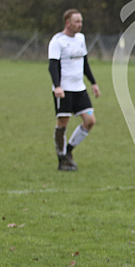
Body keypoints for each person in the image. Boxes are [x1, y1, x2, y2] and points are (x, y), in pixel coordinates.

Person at [48, 9, 100, 172]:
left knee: (90, 121)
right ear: (67, 23)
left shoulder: (81, 39)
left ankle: (68, 151)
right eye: (76, 21)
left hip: (80, 89)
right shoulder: (57, 41)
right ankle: (62, 159)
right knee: (62, 124)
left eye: (81, 21)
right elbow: (53, 66)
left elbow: (85, 63)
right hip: (64, 90)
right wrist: (57, 86)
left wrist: (93, 82)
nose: (80, 25)